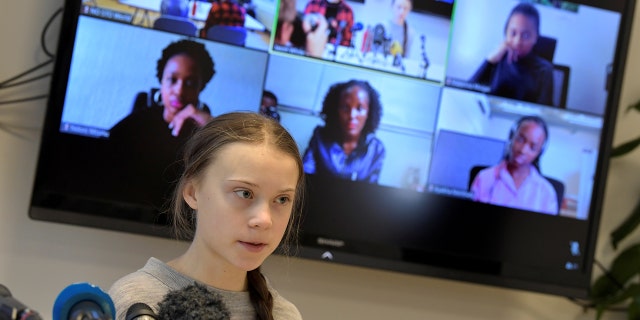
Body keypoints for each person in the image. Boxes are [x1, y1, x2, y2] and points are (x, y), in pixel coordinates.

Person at [109, 112, 305, 320]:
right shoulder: (134, 301)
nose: (264, 220)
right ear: (193, 192)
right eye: (244, 193)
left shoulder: (285, 315)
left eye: (282, 199)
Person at [107, 39, 216, 208]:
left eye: (190, 83)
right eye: (172, 80)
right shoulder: (136, 123)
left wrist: (211, 125)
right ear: (161, 81)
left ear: (200, 87)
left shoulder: (207, 130)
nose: (179, 91)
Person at [469, 3, 554, 106]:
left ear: (536, 38)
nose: (517, 41)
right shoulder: (498, 59)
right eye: (513, 33)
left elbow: (543, 112)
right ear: (506, 32)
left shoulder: (544, 70)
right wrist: (490, 61)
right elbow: (466, 94)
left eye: (526, 35)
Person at [470, 115, 558, 215]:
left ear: (539, 153)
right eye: (520, 139)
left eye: (532, 147)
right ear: (511, 137)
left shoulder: (547, 193)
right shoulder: (485, 177)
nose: (523, 150)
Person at [302, 79, 385, 183]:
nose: (352, 115)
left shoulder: (376, 148)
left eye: (359, 109)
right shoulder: (320, 138)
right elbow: (304, 178)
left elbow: (370, 191)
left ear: (369, 113)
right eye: (345, 107)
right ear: (336, 110)